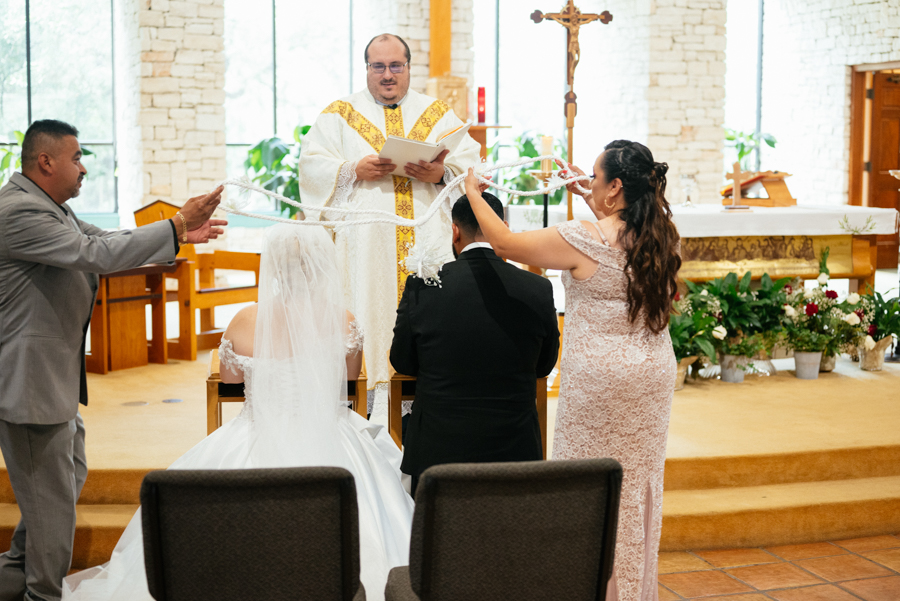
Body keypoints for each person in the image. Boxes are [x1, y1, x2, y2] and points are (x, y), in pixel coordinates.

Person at [63, 225, 414, 601]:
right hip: (333, 436)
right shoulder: (343, 320)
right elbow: (347, 379)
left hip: (256, 430)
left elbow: (230, 379)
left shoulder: (245, 320)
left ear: (275, 269)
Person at [0, 119, 225, 601]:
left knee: (65, 478)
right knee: (53, 502)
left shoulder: (50, 206)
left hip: (51, 380)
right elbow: (95, 253)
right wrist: (176, 223)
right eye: (77, 158)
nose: (83, 169)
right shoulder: (18, 211)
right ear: (46, 162)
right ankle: (42, 593)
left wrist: (179, 236)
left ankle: (13, 571)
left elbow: (107, 241)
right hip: (29, 384)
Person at [462, 140, 681, 601]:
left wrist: (474, 193)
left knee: (587, 483)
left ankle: (588, 588)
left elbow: (503, 243)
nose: (591, 182)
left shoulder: (585, 237)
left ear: (615, 187)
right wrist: (592, 198)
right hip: (652, 373)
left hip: (602, 379)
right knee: (635, 483)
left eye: (597, 178)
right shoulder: (660, 234)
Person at [298, 33, 481, 422]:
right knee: (366, 313)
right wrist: (351, 169)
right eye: (377, 66)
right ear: (366, 68)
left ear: (409, 68)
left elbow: (470, 167)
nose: (387, 75)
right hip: (365, 247)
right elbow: (310, 167)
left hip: (427, 240)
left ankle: (426, 407)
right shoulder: (338, 115)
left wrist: (440, 171)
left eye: (396, 66)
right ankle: (364, 410)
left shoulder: (437, 113)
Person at [389, 192, 560, 495]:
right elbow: (544, 365)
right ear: (502, 226)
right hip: (514, 450)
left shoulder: (423, 285)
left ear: (454, 230)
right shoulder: (538, 288)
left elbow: (402, 361)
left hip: (438, 454)